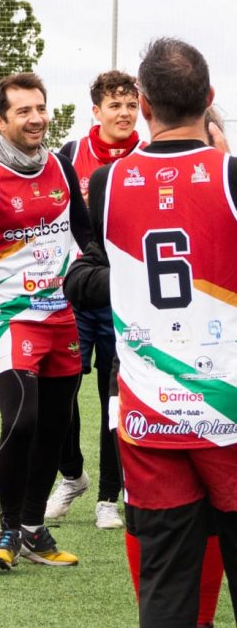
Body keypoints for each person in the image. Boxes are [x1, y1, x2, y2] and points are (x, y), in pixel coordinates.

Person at [65, 39, 237, 628]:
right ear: (210, 99)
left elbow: (86, 275)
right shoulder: (230, 174)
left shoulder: (105, 185)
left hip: (149, 412)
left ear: (141, 104)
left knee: (165, 590)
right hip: (229, 410)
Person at [0, 72, 91, 570]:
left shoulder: (63, 169)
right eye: (24, 111)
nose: (37, 119)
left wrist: (96, 277)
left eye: (41, 108)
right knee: (21, 418)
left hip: (63, 316)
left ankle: (33, 529)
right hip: (8, 317)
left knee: (54, 425)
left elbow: (85, 236)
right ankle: (7, 529)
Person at [46, 71, 142, 530]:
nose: (123, 113)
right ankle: (72, 475)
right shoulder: (71, 157)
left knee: (116, 400)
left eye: (130, 104)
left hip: (128, 301)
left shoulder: (149, 157)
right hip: (77, 292)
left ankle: (109, 496)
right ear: (97, 111)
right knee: (60, 392)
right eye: (114, 105)